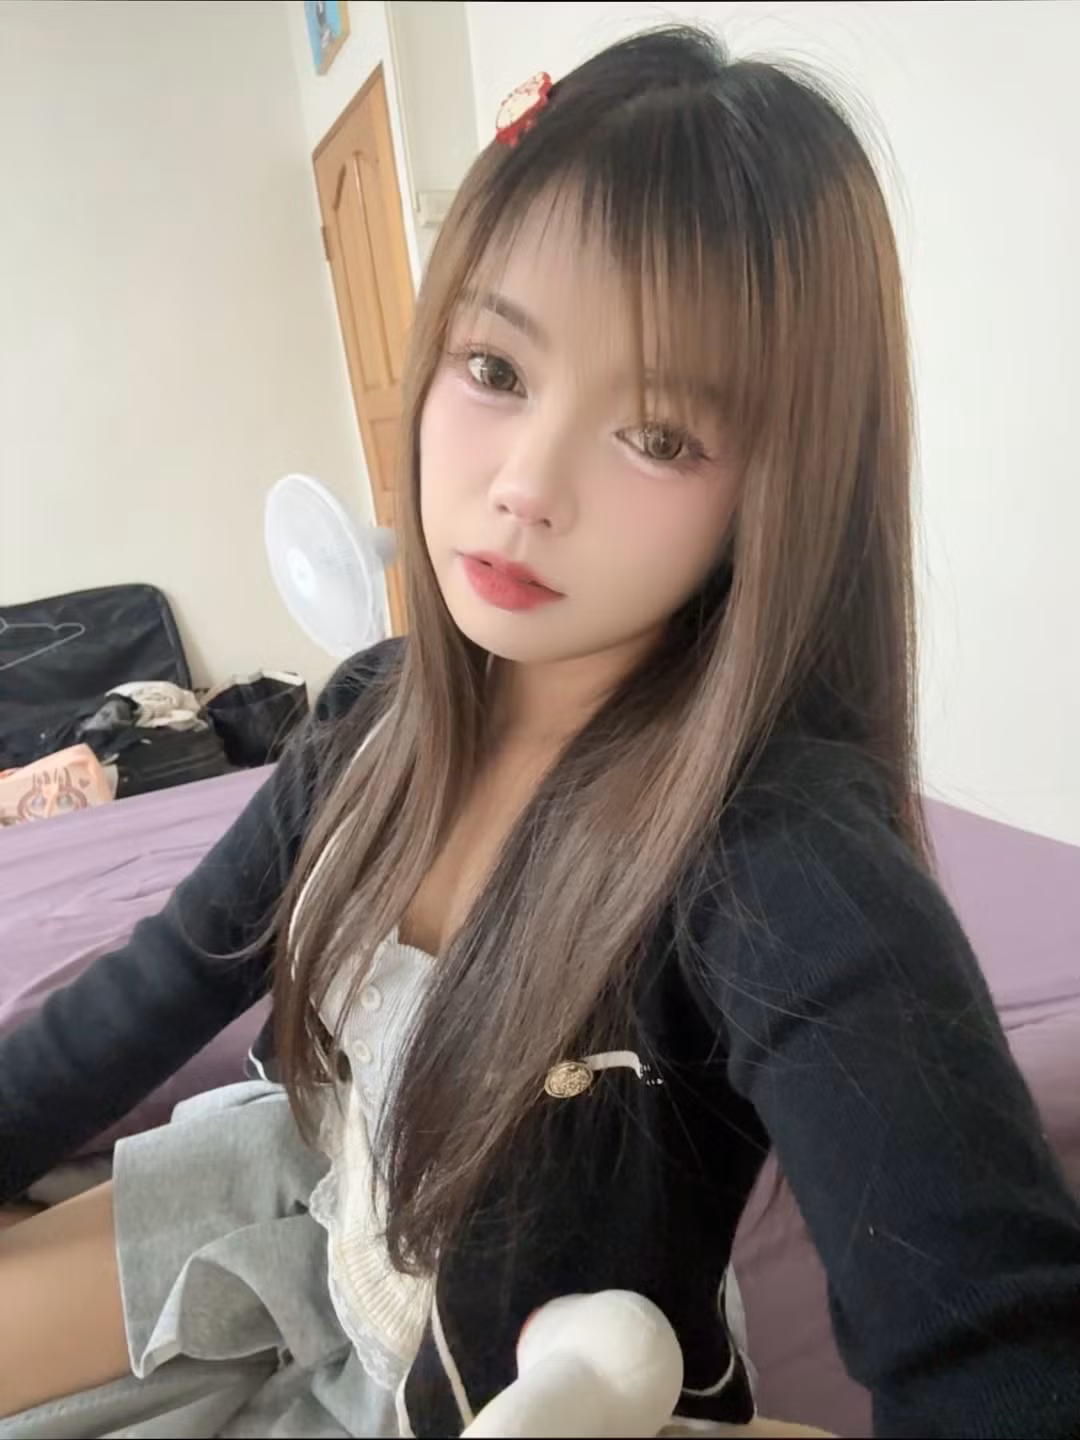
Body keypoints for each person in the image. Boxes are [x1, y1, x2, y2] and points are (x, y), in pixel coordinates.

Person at [1, 24, 1079, 1440]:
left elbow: (1001, 1346)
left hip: (505, 1379)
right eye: (496, 368)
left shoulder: (781, 856)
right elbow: (154, 988)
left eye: (660, 436)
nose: (525, 486)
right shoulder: (369, 715)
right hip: (305, 1196)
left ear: (774, 491)